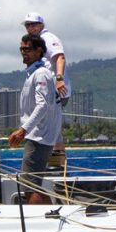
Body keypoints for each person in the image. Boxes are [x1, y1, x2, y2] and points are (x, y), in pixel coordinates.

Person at [8, 34, 62, 205]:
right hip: (40, 136)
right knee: (32, 185)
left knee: (29, 188)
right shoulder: (35, 73)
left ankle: (43, 218)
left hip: (39, 137)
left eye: (27, 49)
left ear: (39, 51)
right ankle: (52, 215)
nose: (23, 52)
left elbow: (42, 105)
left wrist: (23, 130)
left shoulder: (40, 74)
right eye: (21, 49)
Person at [22, 12, 69, 159]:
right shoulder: (37, 40)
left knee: (49, 125)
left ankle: (56, 163)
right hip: (47, 88)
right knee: (51, 127)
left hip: (54, 89)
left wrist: (59, 79)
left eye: (33, 24)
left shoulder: (48, 38)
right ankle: (55, 162)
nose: (30, 27)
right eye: (27, 25)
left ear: (42, 25)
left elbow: (60, 57)